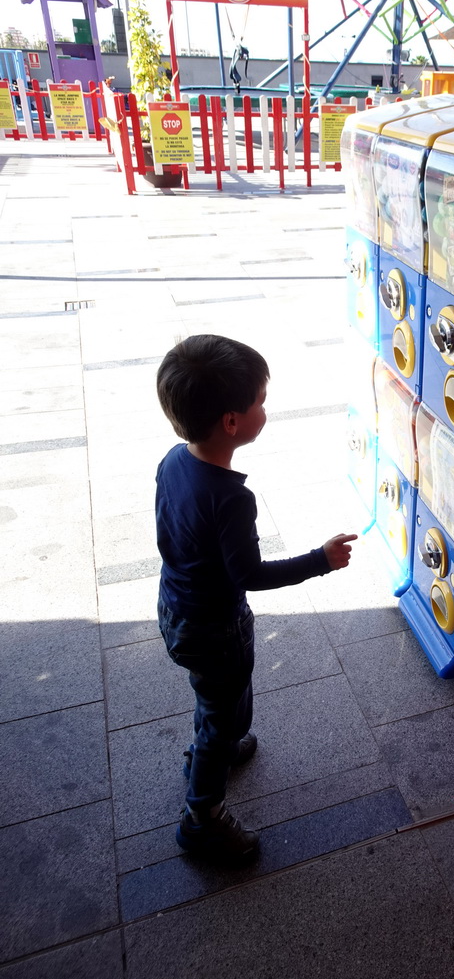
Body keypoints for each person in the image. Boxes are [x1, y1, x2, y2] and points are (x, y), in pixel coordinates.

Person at [155, 334, 356, 860]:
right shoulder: (231, 499)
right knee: (225, 711)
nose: (264, 409)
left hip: (176, 608)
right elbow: (249, 574)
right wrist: (320, 560)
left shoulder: (174, 461)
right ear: (231, 422)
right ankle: (202, 817)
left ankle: (213, 744)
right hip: (214, 626)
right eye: (259, 402)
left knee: (217, 701)